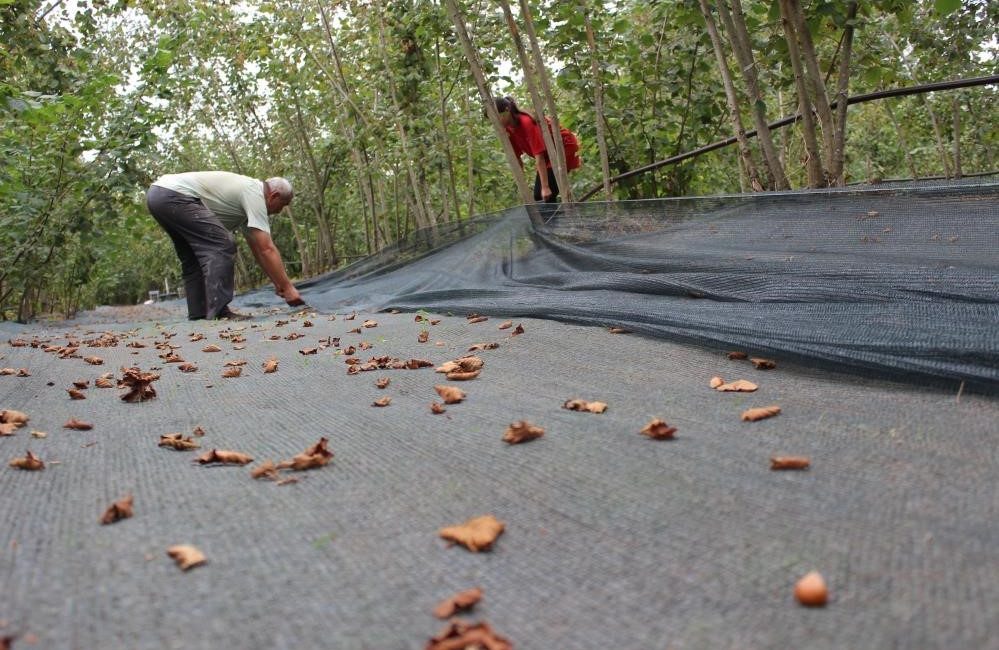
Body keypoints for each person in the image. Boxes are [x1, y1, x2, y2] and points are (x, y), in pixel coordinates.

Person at [145, 171, 303, 320]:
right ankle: (219, 312)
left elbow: (258, 250)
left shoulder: (246, 203)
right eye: (283, 205)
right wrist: (288, 287)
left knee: (193, 257)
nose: (280, 211)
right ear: (273, 196)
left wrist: (278, 283)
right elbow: (267, 248)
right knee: (222, 244)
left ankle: (199, 314)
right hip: (174, 195)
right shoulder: (255, 193)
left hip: (158, 195)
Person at [493, 96, 580, 204]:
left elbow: (540, 157)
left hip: (563, 148)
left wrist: (545, 187)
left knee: (543, 194)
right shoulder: (507, 130)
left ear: (507, 110)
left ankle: (557, 219)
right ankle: (555, 218)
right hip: (547, 155)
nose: (496, 122)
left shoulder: (526, 122)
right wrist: (522, 183)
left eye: (498, 117)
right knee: (540, 196)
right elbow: (517, 159)